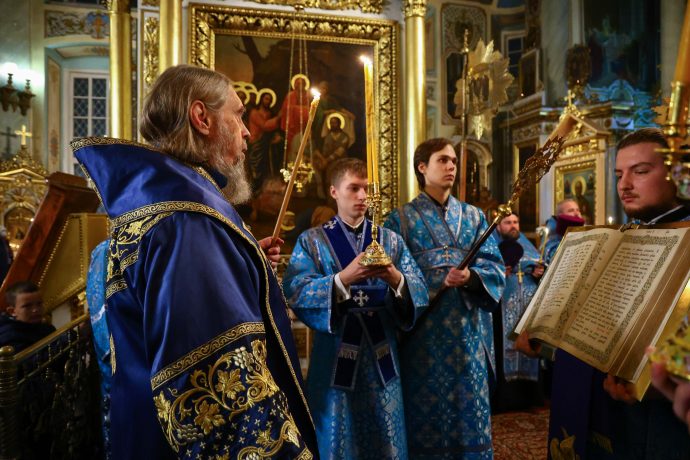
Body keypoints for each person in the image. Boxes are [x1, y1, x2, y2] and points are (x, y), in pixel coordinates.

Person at [71, 64, 317, 459]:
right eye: (238, 115)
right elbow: (222, 392)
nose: (248, 131)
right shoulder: (188, 222)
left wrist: (244, 264)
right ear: (202, 118)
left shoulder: (161, 206)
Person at [519, 128, 690, 460]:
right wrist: (545, 339)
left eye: (640, 171)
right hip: (610, 408)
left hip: (668, 423)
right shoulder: (620, 238)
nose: (625, 184)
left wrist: (662, 380)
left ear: (679, 174)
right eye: (619, 174)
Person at [283, 158, 428, 459]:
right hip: (334, 357)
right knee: (337, 440)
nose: (362, 196)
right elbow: (296, 289)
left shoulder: (390, 241)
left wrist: (395, 277)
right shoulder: (312, 241)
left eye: (366, 189)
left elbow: (419, 288)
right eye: (354, 188)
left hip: (382, 358)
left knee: (385, 437)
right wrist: (343, 279)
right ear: (334, 191)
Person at [384, 138, 505, 459]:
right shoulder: (399, 220)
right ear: (422, 167)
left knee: (470, 420)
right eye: (442, 160)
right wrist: (423, 285)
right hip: (423, 338)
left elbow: (494, 266)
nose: (451, 166)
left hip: (468, 337)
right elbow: (391, 276)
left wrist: (471, 277)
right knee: (426, 420)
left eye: (453, 160)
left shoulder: (475, 217)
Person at [492, 212, 545, 413]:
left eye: (515, 222)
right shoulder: (491, 245)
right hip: (504, 306)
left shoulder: (528, 245)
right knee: (505, 346)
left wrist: (538, 272)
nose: (513, 225)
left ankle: (529, 397)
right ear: (498, 226)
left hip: (527, 305)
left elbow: (540, 267)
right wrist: (499, 273)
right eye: (507, 222)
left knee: (528, 345)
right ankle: (506, 399)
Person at [0, 281, 55, 353]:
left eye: (39, 304)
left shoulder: (44, 326)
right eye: (27, 306)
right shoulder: (9, 337)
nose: (35, 310)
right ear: (12, 311)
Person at [542, 198, 584, 264]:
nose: (576, 213)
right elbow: (553, 258)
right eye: (571, 210)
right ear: (560, 215)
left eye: (578, 210)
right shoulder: (552, 235)